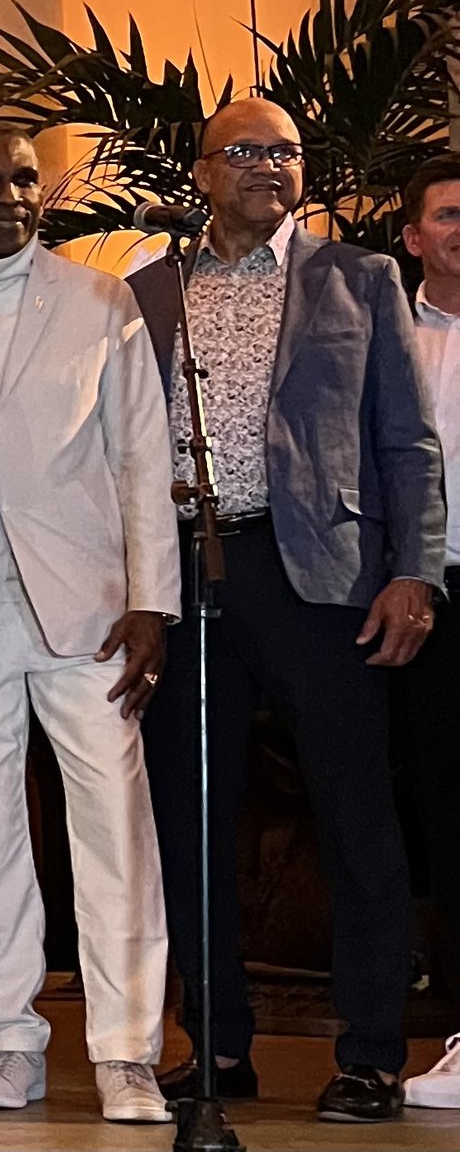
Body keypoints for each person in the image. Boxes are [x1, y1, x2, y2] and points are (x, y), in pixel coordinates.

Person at [129, 96, 443, 1125]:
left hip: (324, 579)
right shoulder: (147, 290)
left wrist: (416, 572)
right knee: (192, 812)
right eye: (247, 151)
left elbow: (408, 442)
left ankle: (366, 1054)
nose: (269, 166)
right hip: (186, 577)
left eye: (286, 151)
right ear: (204, 169)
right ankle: (215, 1045)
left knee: (355, 814)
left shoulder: (361, 279)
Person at [0, 128, 178, 1126]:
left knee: (112, 827)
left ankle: (126, 1053)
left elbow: (143, 455)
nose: (13, 194)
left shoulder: (100, 300)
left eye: (26, 177)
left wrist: (152, 599)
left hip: (89, 610)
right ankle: (7, 1040)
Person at [401, 154, 460, 1106]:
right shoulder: (382, 332)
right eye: (449, 214)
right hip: (428, 604)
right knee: (445, 828)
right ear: (411, 235)